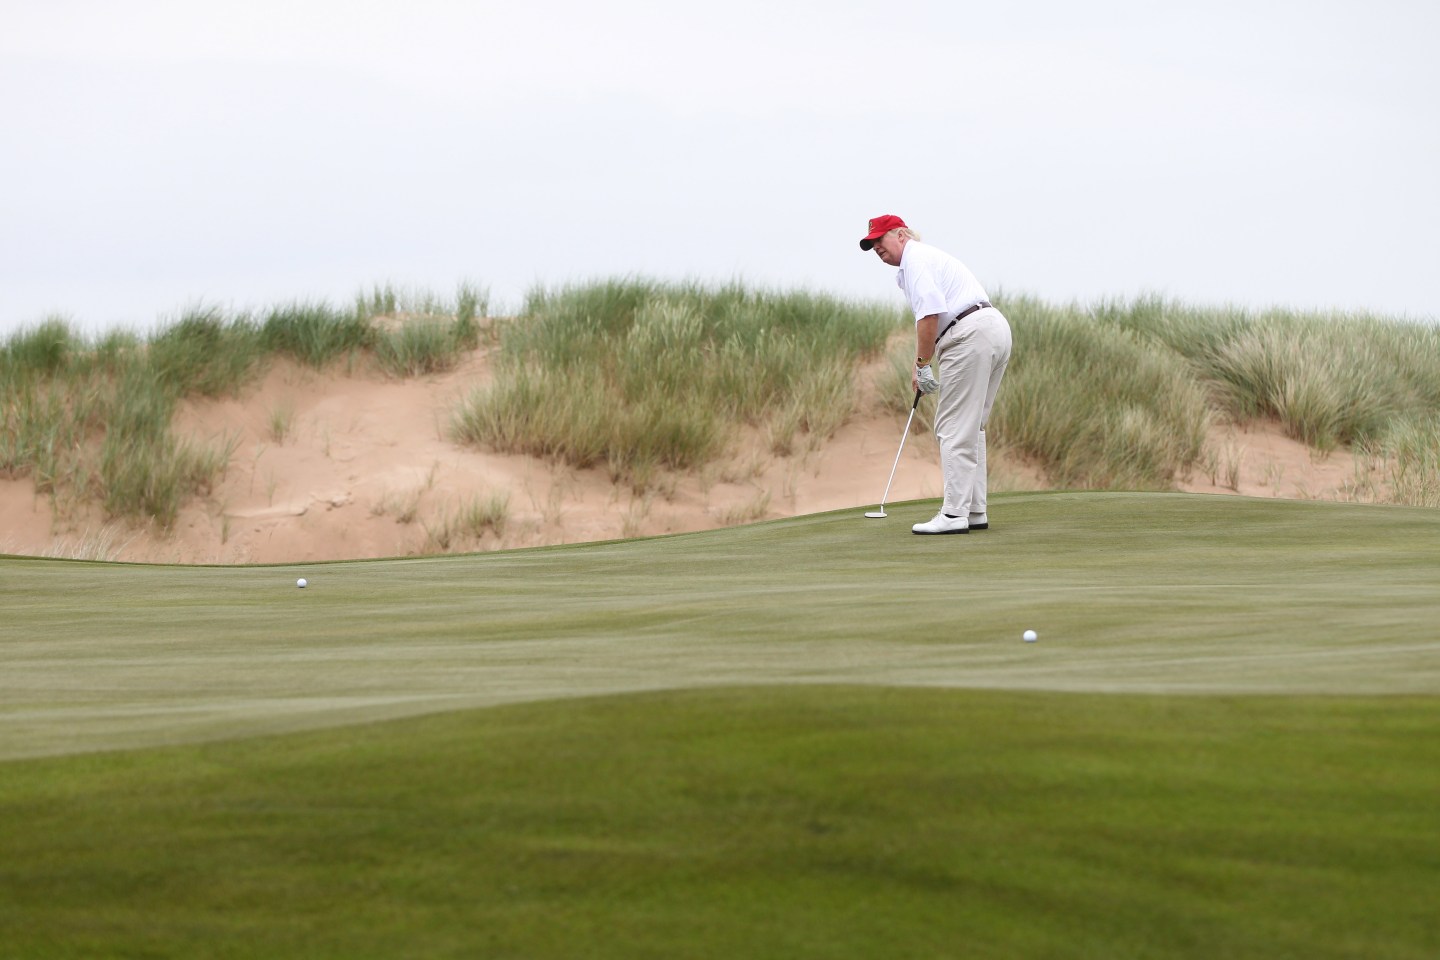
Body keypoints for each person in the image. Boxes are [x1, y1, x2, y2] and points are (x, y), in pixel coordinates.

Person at [859, 214, 1012, 534]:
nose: (876, 248)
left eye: (880, 240)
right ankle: (974, 511)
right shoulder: (923, 260)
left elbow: (929, 314)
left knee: (952, 426)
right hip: (992, 328)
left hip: (969, 334)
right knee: (972, 425)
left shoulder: (915, 259)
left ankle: (954, 514)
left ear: (901, 235)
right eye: (872, 245)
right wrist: (924, 363)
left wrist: (921, 364)